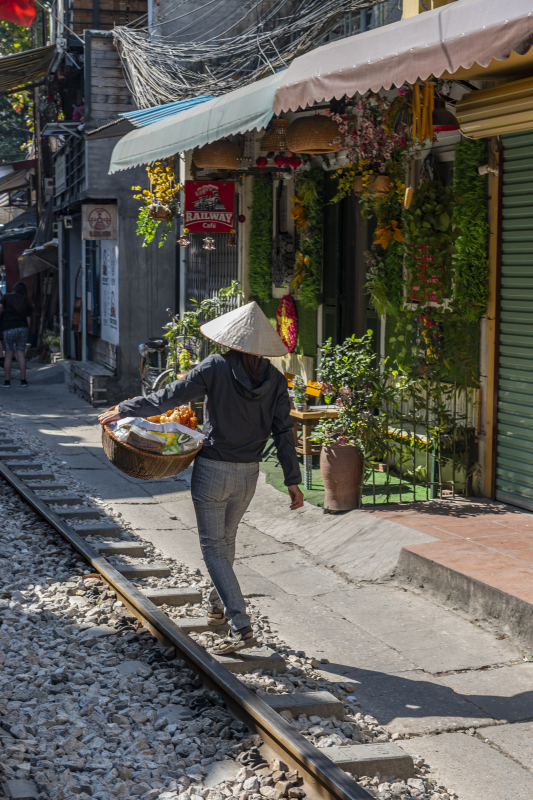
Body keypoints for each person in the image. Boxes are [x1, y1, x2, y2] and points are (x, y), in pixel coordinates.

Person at [99, 301, 304, 654]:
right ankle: (216, 609)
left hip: (212, 470)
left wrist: (124, 409)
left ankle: (241, 625)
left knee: (213, 548)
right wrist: (292, 480)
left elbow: (166, 398)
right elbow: (284, 431)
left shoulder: (215, 366)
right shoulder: (273, 379)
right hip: (249, 475)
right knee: (226, 543)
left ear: (232, 340)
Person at [0, 281, 32, 388]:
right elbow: (28, 319)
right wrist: (26, 330)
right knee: (21, 354)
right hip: (22, 328)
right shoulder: (26, 300)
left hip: (7, 329)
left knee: (8, 355)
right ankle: (23, 381)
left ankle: (7, 381)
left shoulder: (6, 297)